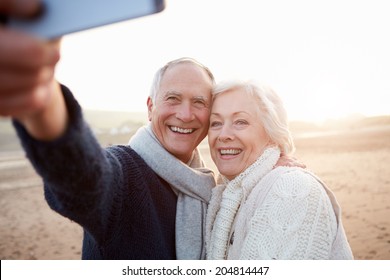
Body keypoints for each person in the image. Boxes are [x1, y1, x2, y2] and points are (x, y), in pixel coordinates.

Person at [0, 0, 303, 260]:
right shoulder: (123, 175)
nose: (185, 115)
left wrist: (270, 163)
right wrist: (43, 98)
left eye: (199, 102)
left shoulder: (207, 186)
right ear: (150, 107)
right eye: (172, 99)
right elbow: (81, 176)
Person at [205, 80, 354, 259]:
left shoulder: (291, 188)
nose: (223, 135)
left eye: (240, 122)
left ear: (271, 134)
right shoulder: (228, 194)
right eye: (215, 123)